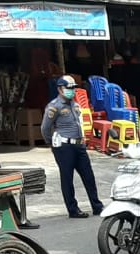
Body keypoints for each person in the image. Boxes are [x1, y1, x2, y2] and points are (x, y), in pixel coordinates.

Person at [41, 76, 103, 219]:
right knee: (67, 178)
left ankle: (97, 206)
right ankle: (73, 209)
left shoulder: (75, 105)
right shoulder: (54, 106)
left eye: (73, 88)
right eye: (68, 88)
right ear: (60, 89)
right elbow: (45, 128)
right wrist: (52, 142)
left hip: (78, 145)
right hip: (64, 146)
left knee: (89, 176)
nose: (72, 91)